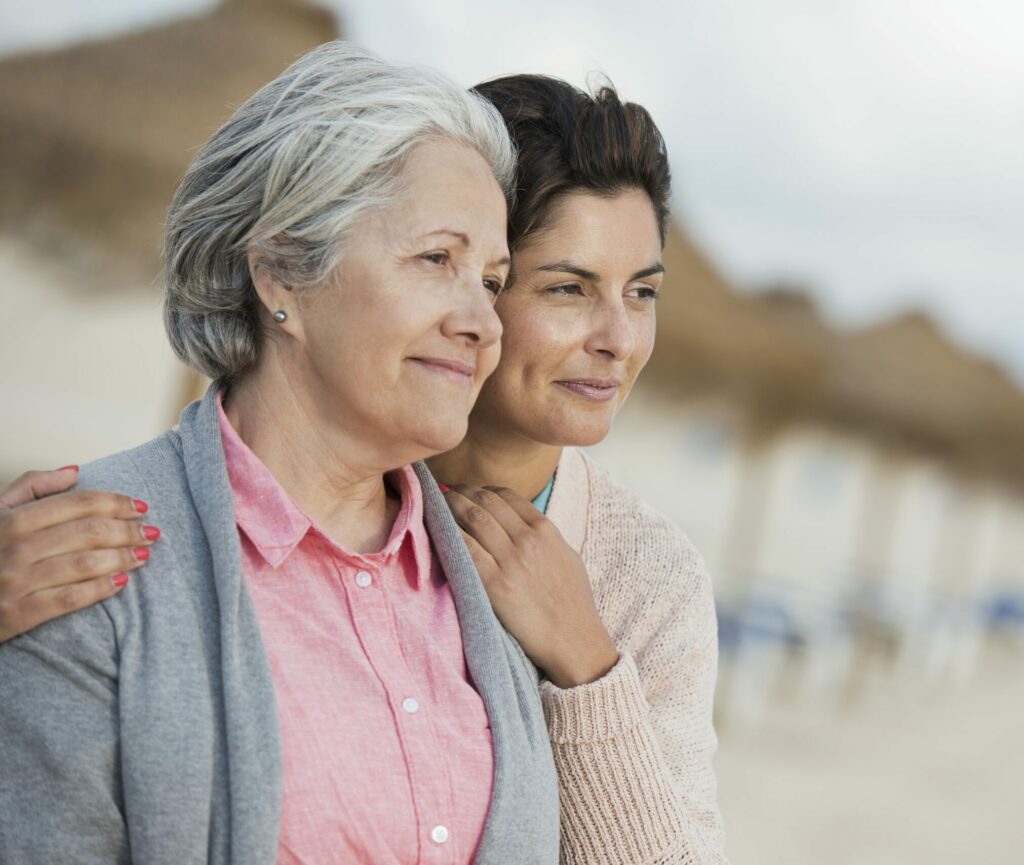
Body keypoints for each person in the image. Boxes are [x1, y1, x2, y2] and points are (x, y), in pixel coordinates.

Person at [0, 73, 728, 864]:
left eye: (485, 278)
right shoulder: (86, 555)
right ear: (281, 272)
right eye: (562, 286)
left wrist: (587, 668)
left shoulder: (603, 584)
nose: (619, 338)